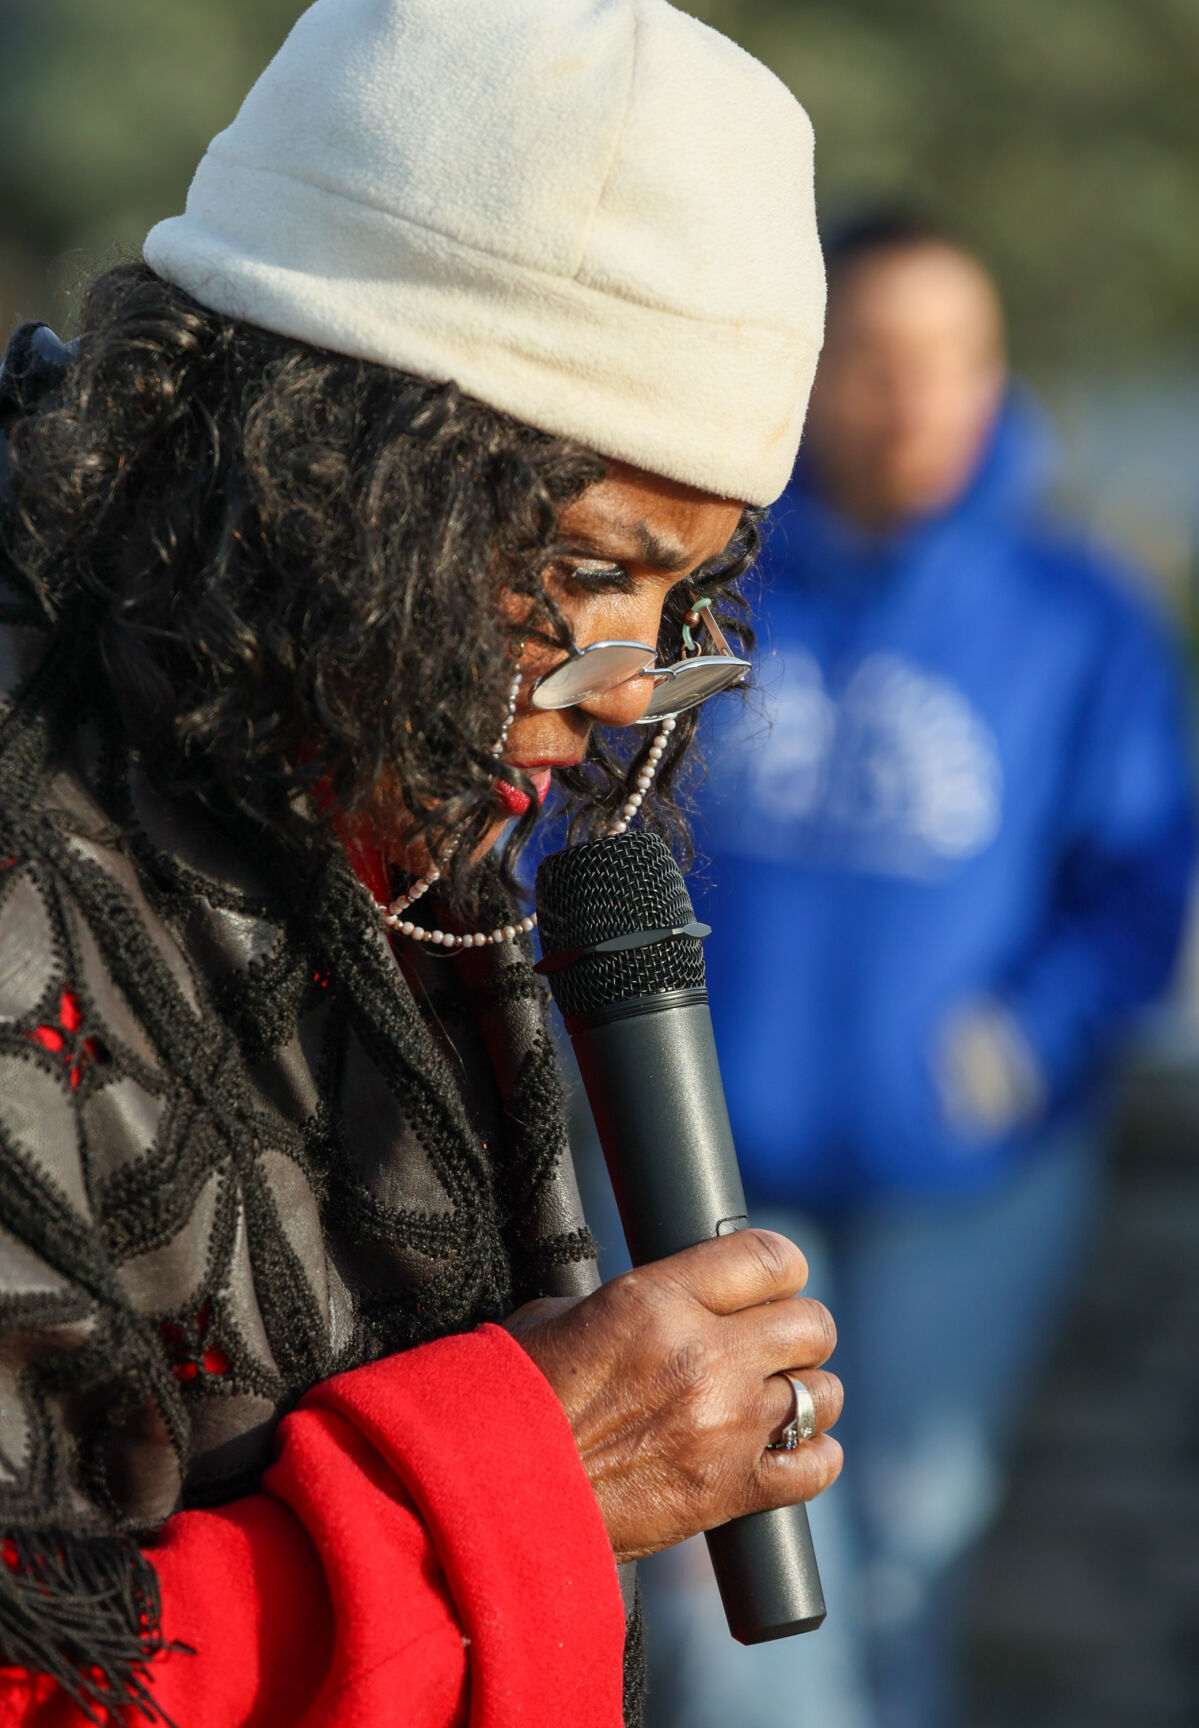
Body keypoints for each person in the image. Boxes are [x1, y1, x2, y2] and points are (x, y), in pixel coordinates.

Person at [0, 2, 843, 1722]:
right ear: (338, 471)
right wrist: (533, 1477)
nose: (626, 688)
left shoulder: (372, 796)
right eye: (593, 565)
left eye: (689, 603)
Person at [645, 215, 1197, 1728]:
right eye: (883, 362)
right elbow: (589, 819)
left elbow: (1142, 876)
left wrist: (1021, 1042)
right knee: (739, 1588)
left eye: (960, 360)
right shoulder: (708, 590)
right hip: (726, 1190)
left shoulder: (1081, 616)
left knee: (903, 1564)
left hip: (974, 1190)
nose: (923, 399)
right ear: (815, 376)